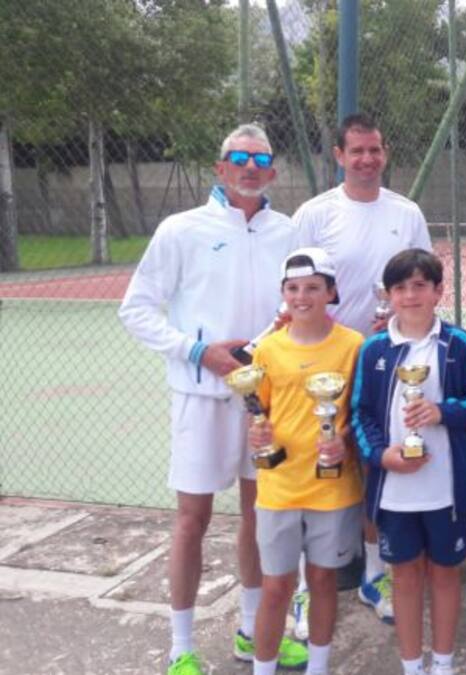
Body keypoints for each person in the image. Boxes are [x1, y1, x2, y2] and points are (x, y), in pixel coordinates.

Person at [118, 123, 305, 675]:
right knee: (191, 518)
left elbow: (298, 305)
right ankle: (182, 647)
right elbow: (136, 310)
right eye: (238, 157)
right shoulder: (181, 229)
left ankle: (251, 632)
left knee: (259, 514)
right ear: (220, 169)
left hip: (266, 402)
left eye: (260, 159)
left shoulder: (287, 232)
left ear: (272, 171)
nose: (250, 166)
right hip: (199, 396)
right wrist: (199, 352)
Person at [294, 113, 433, 629]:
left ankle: (376, 574)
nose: (367, 159)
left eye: (375, 150)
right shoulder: (313, 214)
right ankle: (308, 589)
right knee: (324, 463)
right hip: (325, 363)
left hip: (388, 362)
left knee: (377, 465)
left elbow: (421, 281)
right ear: (338, 156)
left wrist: (395, 321)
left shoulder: (407, 212)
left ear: (385, 152)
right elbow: (297, 291)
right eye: (357, 151)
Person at [350, 249, 466, 675]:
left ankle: (444, 663)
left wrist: (441, 411)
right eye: (400, 287)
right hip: (395, 492)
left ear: (437, 291)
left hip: (444, 489)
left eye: (419, 286)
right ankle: (412, 666)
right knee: (405, 578)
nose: (410, 295)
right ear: (389, 295)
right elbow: (358, 413)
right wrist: (381, 456)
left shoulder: (460, 343)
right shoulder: (373, 349)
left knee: (446, 576)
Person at [245, 248, 364, 675]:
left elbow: (359, 415)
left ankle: (318, 667)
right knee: (275, 586)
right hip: (279, 487)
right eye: (293, 288)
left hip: (333, 487)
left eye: (313, 287)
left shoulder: (354, 345)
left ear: (331, 292)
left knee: (323, 581)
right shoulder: (269, 350)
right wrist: (257, 433)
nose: (302, 296)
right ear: (283, 293)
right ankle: (263, 668)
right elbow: (261, 417)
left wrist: (343, 441)